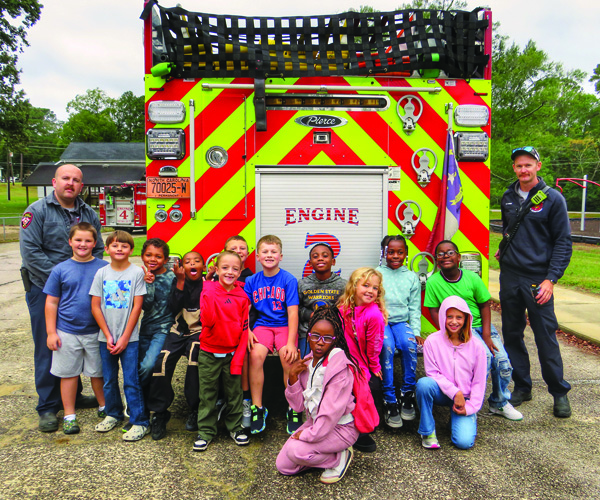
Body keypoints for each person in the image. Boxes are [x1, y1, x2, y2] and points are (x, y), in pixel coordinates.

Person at [20, 164, 103, 432]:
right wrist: (62, 280)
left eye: (76, 180)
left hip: (82, 290)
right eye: (65, 178)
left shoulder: (88, 212)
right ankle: (47, 406)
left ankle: (74, 395)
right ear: (54, 181)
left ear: (81, 186)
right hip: (45, 289)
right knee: (50, 345)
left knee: (76, 344)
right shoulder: (36, 211)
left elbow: (98, 248)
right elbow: (31, 253)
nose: (70, 183)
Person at [497, 146, 573, 418]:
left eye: (528, 165)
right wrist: (503, 247)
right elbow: (510, 229)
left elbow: (563, 242)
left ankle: (559, 393)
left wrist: (551, 280)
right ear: (514, 168)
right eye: (519, 166)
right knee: (512, 335)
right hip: (510, 278)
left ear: (538, 166)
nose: (523, 170)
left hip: (538, 280)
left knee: (545, 338)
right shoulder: (508, 195)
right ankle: (522, 387)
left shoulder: (553, 199)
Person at [424, 240, 523, 421]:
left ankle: (499, 402)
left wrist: (486, 335)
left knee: (502, 362)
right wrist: (446, 334)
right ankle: (469, 399)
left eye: (450, 252)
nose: (445, 256)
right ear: (436, 260)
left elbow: (484, 305)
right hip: (456, 329)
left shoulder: (472, 278)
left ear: (459, 257)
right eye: (440, 254)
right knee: (483, 357)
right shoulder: (433, 282)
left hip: (479, 326)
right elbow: (433, 310)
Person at [276, 306, 358, 484]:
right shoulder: (307, 362)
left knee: (296, 451)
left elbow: (329, 415)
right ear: (308, 336)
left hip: (341, 429)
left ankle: (339, 458)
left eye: (327, 338)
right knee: (284, 466)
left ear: (335, 341)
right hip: (316, 425)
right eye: (315, 336)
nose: (320, 342)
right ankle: (322, 456)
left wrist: (305, 436)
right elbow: (298, 407)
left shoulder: (339, 368)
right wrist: (293, 377)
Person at [44, 223, 108, 434]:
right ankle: (70, 415)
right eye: (78, 240)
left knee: (98, 372)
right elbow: (51, 302)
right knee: (68, 374)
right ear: (70, 242)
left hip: (95, 332)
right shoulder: (60, 269)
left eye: (88, 240)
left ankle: (104, 406)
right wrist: (51, 332)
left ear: (95, 243)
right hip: (66, 332)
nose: (83, 244)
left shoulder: (103, 268)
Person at [90, 230, 149, 441]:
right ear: (106, 249)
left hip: (130, 339)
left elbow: (137, 307)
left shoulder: (136, 274)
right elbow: (95, 306)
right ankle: (112, 414)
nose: (119, 249)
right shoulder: (101, 273)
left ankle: (140, 420)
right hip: (105, 337)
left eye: (124, 246)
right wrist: (108, 335)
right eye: (115, 245)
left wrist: (124, 337)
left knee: (131, 380)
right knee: (109, 379)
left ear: (131, 250)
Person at [193, 251, 251, 451]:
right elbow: (207, 321)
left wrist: (238, 358)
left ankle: (235, 428)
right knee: (207, 394)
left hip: (232, 354)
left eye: (235, 269)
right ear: (216, 270)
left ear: (240, 272)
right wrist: (207, 289)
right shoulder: (208, 291)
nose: (230, 272)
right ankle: (206, 431)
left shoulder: (242, 297)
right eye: (225, 268)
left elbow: (244, 331)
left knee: (234, 393)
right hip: (209, 353)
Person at [245, 235, 300, 435]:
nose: (269, 255)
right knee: (256, 355)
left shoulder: (288, 280)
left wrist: (292, 342)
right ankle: (258, 408)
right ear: (258, 256)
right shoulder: (251, 280)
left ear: (281, 256)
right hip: (262, 326)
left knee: (288, 357)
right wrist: (248, 330)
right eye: (265, 252)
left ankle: (293, 408)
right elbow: (246, 309)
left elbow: (293, 313)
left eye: (273, 251)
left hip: (283, 325)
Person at [416, 296, 487, 450]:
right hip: (442, 392)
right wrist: (455, 392)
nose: (454, 321)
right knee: (424, 384)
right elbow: (432, 373)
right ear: (443, 317)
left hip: (465, 398)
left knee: (463, 443)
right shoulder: (432, 341)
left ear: (466, 319)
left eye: (459, 317)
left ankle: (458, 419)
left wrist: (471, 407)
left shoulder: (477, 346)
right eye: (449, 316)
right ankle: (428, 431)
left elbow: (479, 381)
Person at [148, 251, 204, 440]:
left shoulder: (208, 284)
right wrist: (180, 282)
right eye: (187, 262)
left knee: (194, 361)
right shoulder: (177, 281)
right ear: (182, 267)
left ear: (203, 266)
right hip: (178, 331)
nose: (192, 264)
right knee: (161, 363)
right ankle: (159, 412)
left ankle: (195, 408)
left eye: (197, 261)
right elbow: (173, 307)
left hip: (198, 332)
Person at [337, 267, 386, 453]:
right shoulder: (343, 308)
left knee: (366, 387)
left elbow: (374, 345)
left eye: (375, 288)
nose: (370, 291)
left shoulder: (373, 315)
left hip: (362, 362)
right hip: (343, 358)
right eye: (366, 285)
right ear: (354, 286)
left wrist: (374, 366)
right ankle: (339, 425)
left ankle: (363, 430)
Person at [376, 235, 422, 428]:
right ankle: (389, 398)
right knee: (386, 346)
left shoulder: (411, 277)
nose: (395, 256)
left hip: (401, 322)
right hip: (381, 321)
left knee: (409, 344)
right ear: (384, 253)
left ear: (406, 253)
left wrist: (417, 331)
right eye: (391, 252)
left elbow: (414, 308)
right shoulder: (376, 273)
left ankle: (407, 394)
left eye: (400, 252)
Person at [298, 242, 347, 358]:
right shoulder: (302, 284)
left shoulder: (342, 285)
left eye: (325, 256)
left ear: (333, 261)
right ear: (310, 263)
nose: (320, 258)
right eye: (315, 256)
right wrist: (310, 315)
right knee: (305, 365)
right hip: (307, 333)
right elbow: (295, 309)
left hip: (334, 333)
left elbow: (346, 310)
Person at [139, 238, 175, 386]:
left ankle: (137, 395)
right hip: (144, 328)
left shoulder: (172, 278)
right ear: (142, 257)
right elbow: (145, 306)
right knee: (139, 365)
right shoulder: (140, 276)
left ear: (166, 259)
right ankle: (140, 402)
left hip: (162, 329)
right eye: (148, 255)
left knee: (148, 365)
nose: (152, 259)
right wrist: (148, 284)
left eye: (158, 256)